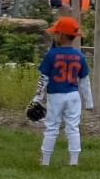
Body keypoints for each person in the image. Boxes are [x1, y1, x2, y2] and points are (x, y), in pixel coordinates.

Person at [32, 17, 93, 166]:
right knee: (73, 128)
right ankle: (74, 161)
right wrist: (89, 102)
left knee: (52, 127)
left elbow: (43, 78)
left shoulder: (52, 55)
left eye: (56, 33)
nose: (54, 35)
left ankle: (45, 161)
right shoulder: (79, 56)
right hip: (73, 95)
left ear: (62, 35)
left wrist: (37, 97)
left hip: (56, 95)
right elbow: (85, 80)